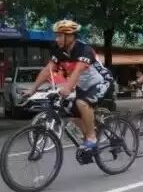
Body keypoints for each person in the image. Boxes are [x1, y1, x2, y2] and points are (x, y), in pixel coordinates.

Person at [25, 20, 112, 151]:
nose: (57, 39)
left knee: (82, 103)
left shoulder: (84, 49)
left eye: (60, 36)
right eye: (56, 36)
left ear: (70, 36)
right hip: (83, 85)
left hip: (101, 81)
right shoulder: (60, 51)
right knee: (71, 108)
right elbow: (47, 70)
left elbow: (77, 71)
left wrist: (67, 88)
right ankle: (88, 140)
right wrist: (32, 89)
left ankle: (92, 137)